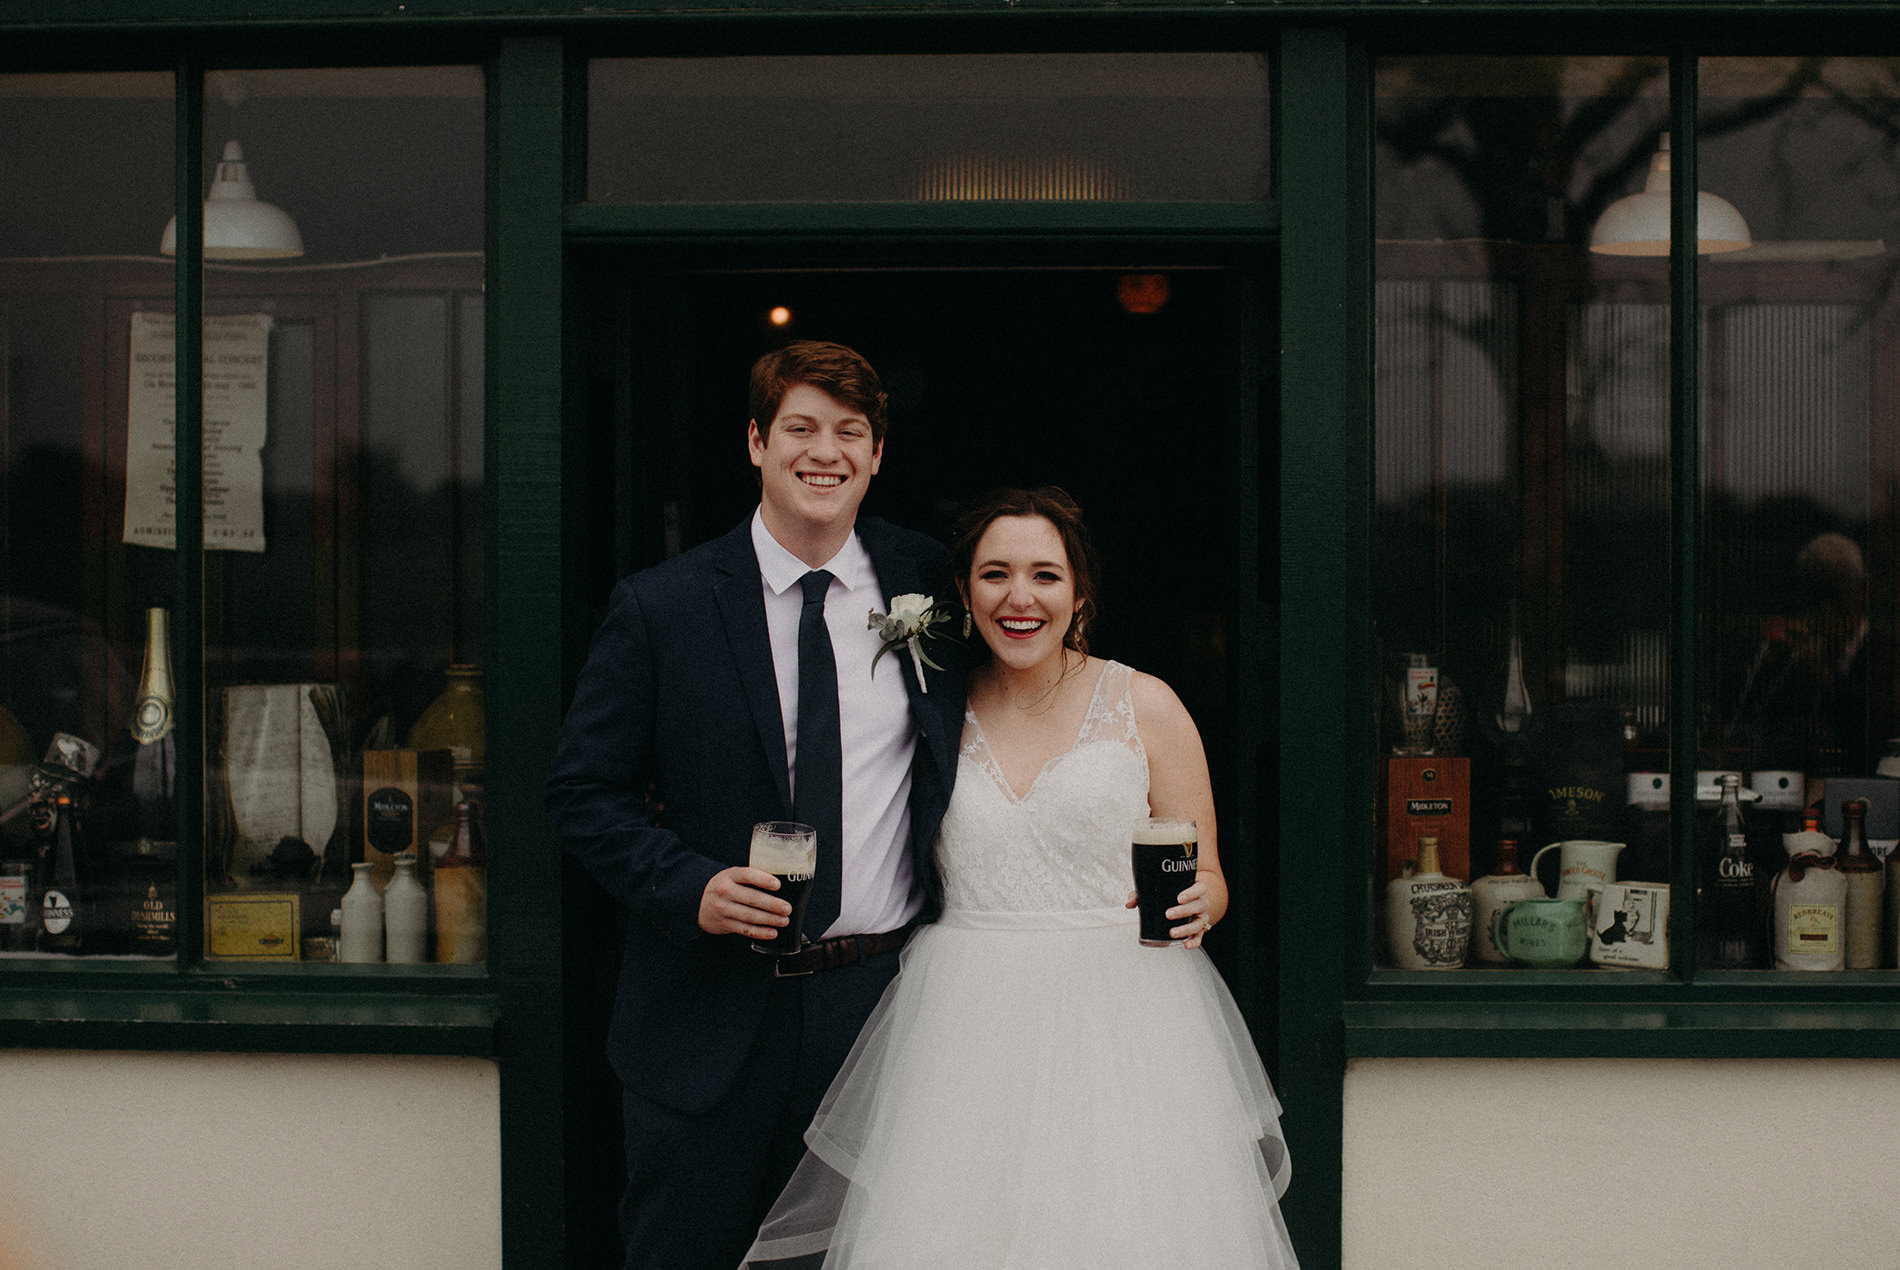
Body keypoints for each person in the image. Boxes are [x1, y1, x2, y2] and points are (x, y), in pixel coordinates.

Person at [743, 486, 1299, 1268]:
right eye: (995, 573)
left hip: (1123, 1014)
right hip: (963, 1016)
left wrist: (1203, 900)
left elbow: (1207, 872)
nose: (1020, 596)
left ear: (1081, 596)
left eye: (1045, 575)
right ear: (965, 594)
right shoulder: (931, 709)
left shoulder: (1146, 704)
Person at [544, 340, 967, 1270]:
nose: (827, 452)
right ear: (755, 443)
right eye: (801, 428)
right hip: (702, 1017)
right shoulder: (662, 607)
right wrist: (687, 884)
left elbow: (1021, 698)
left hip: (878, 1012)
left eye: (850, 432)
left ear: (878, 455)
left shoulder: (927, 580)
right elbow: (581, 791)